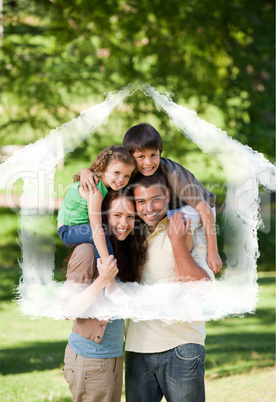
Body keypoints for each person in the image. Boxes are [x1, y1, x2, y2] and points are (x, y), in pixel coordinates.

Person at [80, 123, 222, 276]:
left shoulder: (174, 175)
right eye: (141, 157)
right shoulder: (129, 169)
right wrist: (85, 171)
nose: (148, 162)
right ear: (129, 156)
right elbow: (105, 172)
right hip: (169, 205)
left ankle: (195, 277)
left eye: (153, 155)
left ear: (160, 152)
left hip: (196, 208)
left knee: (189, 239)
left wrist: (213, 252)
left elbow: (205, 210)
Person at [124, 171, 214, 402]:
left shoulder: (188, 226)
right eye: (141, 201)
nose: (149, 208)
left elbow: (200, 289)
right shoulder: (128, 233)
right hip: (137, 348)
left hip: (182, 347)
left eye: (156, 199)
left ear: (167, 195)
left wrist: (177, 243)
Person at [62, 189, 147, 402]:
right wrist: (103, 280)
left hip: (113, 356)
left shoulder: (119, 251)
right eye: (117, 215)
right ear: (104, 217)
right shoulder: (87, 251)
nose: (124, 222)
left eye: (130, 216)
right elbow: (67, 309)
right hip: (90, 359)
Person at [57, 145, 136, 304]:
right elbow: (96, 228)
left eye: (127, 175)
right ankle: (110, 284)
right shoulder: (95, 191)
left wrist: (85, 170)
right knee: (100, 233)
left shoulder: (100, 182)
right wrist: (108, 263)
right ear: (104, 167)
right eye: (116, 173)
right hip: (68, 230)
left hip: (77, 226)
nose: (121, 179)